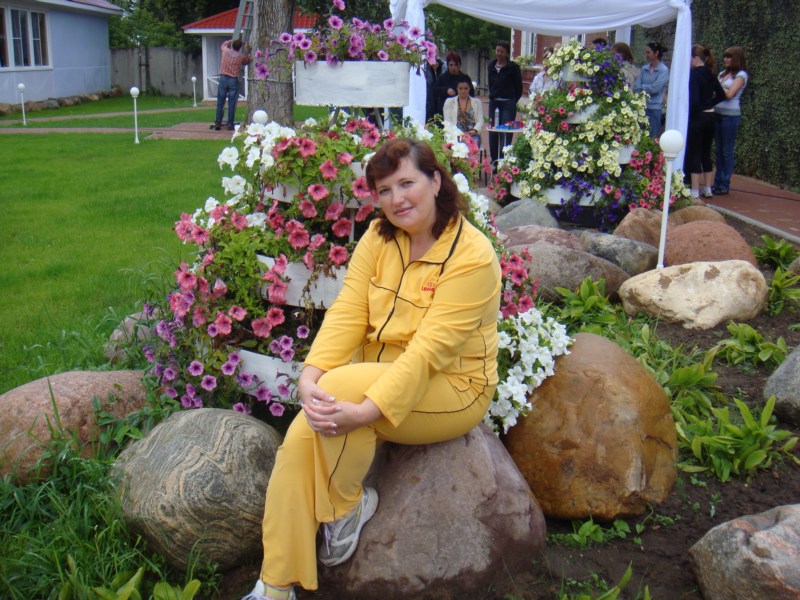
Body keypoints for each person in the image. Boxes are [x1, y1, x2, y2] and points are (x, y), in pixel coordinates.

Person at [242, 138, 502, 600]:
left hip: (452, 386)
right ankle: (275, 586)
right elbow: (348, 311)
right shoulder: (379, 238)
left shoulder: (472, 256)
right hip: (376, 372)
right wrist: (310, 374)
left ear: (435, 181)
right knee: (302, 434)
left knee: (337, 396)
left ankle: (344, 507)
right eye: (384, 190)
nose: (396, 199)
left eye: (407, 183)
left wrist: (366, 412)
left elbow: (429, 353)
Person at [685, 44, 726, 199]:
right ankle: (708, 187)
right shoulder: (711, 73)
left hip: (698, 117)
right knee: (706, 152)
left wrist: (693, 111)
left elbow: (694, 101)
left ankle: (695, 189)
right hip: (711, 116)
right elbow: (721, 95)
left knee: (694, 152)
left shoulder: (694, 75)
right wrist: (710, 104)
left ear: (696, 58)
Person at [712, 46, 749, 196]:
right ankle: (717, 181)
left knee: (727, 150)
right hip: (717, 113)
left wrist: (719, 89)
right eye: (725, 57)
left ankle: (724, 183)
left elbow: (730, 94)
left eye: (729, 57)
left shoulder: (741, 75)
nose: (726, 60)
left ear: (736, 59)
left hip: (730, 116)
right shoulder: (722, 74)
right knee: (718, 150)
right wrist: (721, 89)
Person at [488, 40, 523, 164]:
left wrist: (512, 101)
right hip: (494, 103)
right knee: (493, 131)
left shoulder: (513, 68)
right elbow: (490, 85)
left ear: (507, 53)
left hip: (508, 104)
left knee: (505, 132)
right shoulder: (491, 66)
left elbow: (519, 87)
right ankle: (494, 161)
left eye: (502, 52)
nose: (499, 54)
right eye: (497, 51)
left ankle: (503, 161)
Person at [634, 41, 670, 139]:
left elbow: (655, 88)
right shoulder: (644, 68)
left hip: (654, 108)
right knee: (640, 137)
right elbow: (636, 87)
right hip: (641, 107)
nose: (646, 55)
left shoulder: (663, 70)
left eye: (648, 52)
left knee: (652, 137)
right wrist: (646, 87)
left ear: (656, 53)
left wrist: (642, 87)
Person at [214, 38, 250, 131]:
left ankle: (218, 122)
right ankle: (230, 123)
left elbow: (224, 44)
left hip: (223, 78)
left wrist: (231, 40)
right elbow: (247, 61)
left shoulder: (225, 51)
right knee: (232, 102)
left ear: (232, 45)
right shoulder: (240, 56)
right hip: (233, 79)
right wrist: (246, 49)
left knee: (220, 102)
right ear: (239, 48)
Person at [433, 51, 475, 118]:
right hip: (444, 113)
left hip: (461, 113)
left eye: (456, 65)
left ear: (459, 65)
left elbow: (471, 94)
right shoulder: (442, 78)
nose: (453, 67)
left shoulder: (465, 78)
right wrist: (446, 90)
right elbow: (435, 90)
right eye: (451, 65)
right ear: (448, 65)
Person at [443, 80, 485, 147]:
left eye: (465, 88)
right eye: (460, 88)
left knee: (471, 146)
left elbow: (480, 120)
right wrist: (457, 133)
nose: (463, 91)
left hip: (472, 135)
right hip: (455, 135)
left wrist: (475, 130)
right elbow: (447, 121)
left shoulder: (477, 102)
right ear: (457, 89)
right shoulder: (449, 102)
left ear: (469, 88)